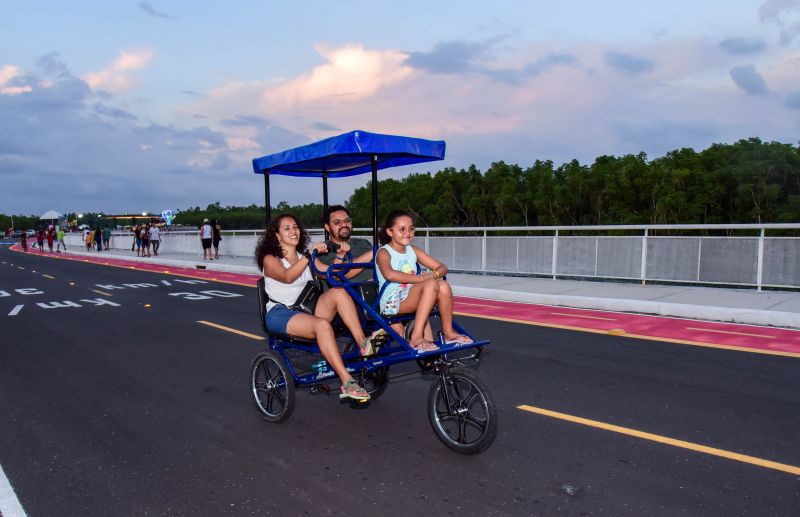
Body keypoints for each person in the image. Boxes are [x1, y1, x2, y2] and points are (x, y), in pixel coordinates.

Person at [256, 213, 378, 401]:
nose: (293, 231)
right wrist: (308, 255)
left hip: (307, 308)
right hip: (281, 313)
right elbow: (288, 276)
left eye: (295, 227)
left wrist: (339, 256)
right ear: (277, 236)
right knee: (322, 325)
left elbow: (330, 274)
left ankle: (362, 343)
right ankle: (347, 381)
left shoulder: (304, 256)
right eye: (287, 228)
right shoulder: (270, 259)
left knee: (339, 292)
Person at [375, 210, 473, 351]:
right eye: (401, 229)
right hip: (393, 300)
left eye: (411, 229)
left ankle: (448, 332)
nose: (407, 233)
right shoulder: (384, 252)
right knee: (431, 284)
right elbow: (390, 275)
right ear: (390, 232)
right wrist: (420, 278)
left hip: (411, 293)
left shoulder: (412, 250)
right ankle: (416, 336)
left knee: (443, 285)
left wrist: (433, 275)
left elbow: (442, 267)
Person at [314, 205, 374, 283]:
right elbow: (339, 275)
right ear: (327, 227)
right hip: (349, 292)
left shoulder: (364, 243)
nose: (344, 225)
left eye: (347, 221)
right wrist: (372, 253)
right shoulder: (321, 251)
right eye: (337, 222)